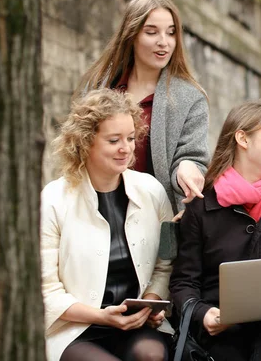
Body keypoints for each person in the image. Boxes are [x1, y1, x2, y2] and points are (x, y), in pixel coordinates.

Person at [169, 100, 261, 361]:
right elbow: (183, 283)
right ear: (242, 138)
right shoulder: (201, 203)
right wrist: (204, 314)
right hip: (218, 332)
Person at [41, 89, 174, 361]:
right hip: (76, 326)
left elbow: (167, 261)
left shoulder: (153, 191)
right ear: (85, 141)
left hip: (138, 324)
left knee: (151, 355)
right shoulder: (54, 199)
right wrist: (101, 316)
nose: (126, 148)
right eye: (114, 140)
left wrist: (151, 299)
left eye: (131, 138)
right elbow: (46, 290)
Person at [75, 0, 209, 215]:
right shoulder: (99, 86)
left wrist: (187, 168)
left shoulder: (190, 98)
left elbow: (193, 157)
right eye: (151, 32)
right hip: (97, 211)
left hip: (155, 217)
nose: (163, 42)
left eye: (171, 33)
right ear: (132, 35)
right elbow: (77, 147)